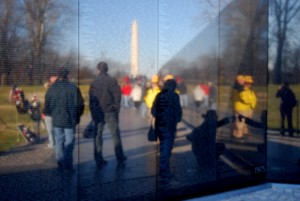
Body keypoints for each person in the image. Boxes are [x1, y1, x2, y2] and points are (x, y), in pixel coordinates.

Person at [44, 67, 84, 172]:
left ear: (58, 75)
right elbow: (80, 104)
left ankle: (60, 162)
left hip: (56, 119)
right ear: (67, 75)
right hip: (70, 119)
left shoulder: (51, 88)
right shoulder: (73, 88)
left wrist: (50, 113)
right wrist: (77, 116)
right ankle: (67, 164)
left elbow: (47, 105)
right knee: (69, 142)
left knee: (58, 141)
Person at [89, 62, 127, 168]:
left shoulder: (94, 82)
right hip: (110, 111)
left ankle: (98, 158)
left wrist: (93, 112)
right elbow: (117, 96)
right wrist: (117, 110)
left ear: (98, 70)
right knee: (115, 135)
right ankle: (120, 157)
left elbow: (92, 99)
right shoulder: (112, 80)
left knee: (98, 136)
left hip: (98, 112)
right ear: (107, 69)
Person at [151, 79, 182, 183]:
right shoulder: (175, 96)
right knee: (167, 148)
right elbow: (178, 112)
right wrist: (176, 119)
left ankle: (164, 169)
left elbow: (153, 111)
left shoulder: (159, 95)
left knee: (164, 146)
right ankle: (164, 171)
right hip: (170, 126)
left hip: (160, 125)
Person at [42, 72, 58, 148]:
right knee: (52, 129)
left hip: (51, 113)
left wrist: (44, 112)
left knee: (51, 129)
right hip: (53, 112)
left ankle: (52, 144)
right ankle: (54, 142)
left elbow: (47, 104)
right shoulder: (51, 91)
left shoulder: (51, 91)